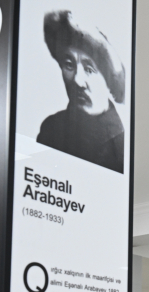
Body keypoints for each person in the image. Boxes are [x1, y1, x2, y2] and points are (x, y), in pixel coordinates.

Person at [38, 11, 126, 173]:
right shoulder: (50, 129)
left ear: (109, 79)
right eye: (69, 65)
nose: (78, 81)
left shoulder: (121, 146)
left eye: (89, 69)